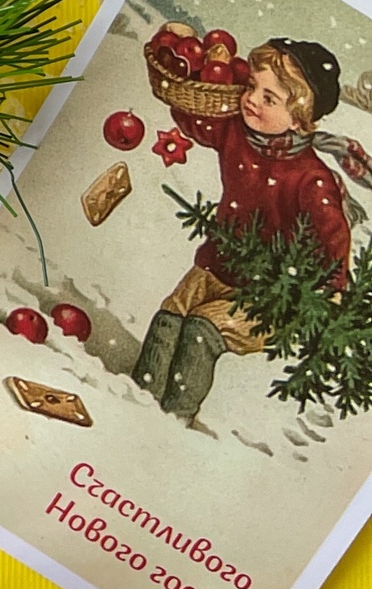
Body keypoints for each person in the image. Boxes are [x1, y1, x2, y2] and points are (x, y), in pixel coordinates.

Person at [134, 37, 366, 422]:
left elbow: (333, 239)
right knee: (171, 315)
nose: (252, 100)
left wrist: (328, 292)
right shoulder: (236, 133)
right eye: (252, 87)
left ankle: (172, 420)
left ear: (300, 118)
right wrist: (177, 79)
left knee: (203, 328)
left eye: (268, 98)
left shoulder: (312, 179)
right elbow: (196, 120)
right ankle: (137, 397)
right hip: (217, 264)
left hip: (269, 294)